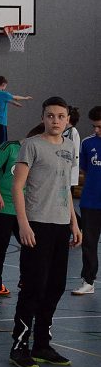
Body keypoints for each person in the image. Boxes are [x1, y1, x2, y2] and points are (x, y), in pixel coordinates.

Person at [9, 97, 81, 367]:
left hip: (61, 224)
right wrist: (24, 223)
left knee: (56, 286)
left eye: (60, 116)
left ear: (67, 120)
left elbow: (66, 188)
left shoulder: (69, 147)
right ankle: (19, 346)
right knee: (33, 286)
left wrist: (74, 222)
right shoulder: (31, 145)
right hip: (36, 224)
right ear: (43, 117)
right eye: (50, 115)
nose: (55, 120)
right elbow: (18, 187)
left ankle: (42, 344)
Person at [0, 124, 44, 297]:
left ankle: (25, 279)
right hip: (2, 206)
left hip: (23, 209)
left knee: (30, 245)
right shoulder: (10, 147)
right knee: (0, 245)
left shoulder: (35, 154)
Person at [72, 105, 101, 296]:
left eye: (100, 126)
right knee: (89, 243)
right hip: (91, 201)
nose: (96, 130)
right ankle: (88, 281)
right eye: (94, 126)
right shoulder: (87, 143)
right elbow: (83, 169)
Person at [0, 76, 32, 159]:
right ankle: (1, 164)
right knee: (2, 145)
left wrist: (13, 103)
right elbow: (16, 97)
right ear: (3, 84)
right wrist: (25, 98)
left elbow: (2, 100)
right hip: (0, 122)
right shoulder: (4, 94)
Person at [62, 106, 81, 190]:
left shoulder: (72, 132)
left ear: (68, 118)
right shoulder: (66, 131)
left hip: (68, 174)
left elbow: (71, 152)